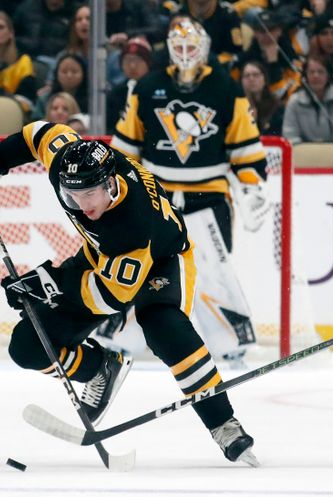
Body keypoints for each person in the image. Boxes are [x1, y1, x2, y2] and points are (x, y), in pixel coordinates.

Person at [0, 122, 259, 466]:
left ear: (111, 183)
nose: (81, 206)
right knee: (27, 347)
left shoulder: (132, 222)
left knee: (164, 328)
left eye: (88, 195)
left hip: (162, 260)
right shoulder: (70, 166)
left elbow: (110, 297)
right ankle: (100, 369)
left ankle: (223, 424)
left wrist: (49, 283)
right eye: (72, 196)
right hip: (104, 260)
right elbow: (39, 133)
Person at [112, 20, 270, 362]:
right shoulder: (147, 87)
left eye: (191, 47)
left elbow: (245, 147)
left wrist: (253, 185)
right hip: (157, 196)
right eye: (179, 47)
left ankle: (231, 345)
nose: (185, 54)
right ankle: (124, 341)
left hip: (209, 197)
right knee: (141, 267)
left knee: (214, 270)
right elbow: (126, 147)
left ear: (205, 47)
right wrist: (122, 187)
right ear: (169, 48)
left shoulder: (226, 89)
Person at [282, 55, 333, 148]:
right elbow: (290, 137)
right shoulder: (294, 101)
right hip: (302, 155)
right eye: (311, 72)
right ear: (305, 76)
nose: (316, 76)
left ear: (329, 75)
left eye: (321, 72)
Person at [32, 53, 88, 121]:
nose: (69, 75)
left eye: (74, 71)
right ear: (56, 74)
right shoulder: (45, 99)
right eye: (64, 71)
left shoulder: (92, 101)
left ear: (83, 74)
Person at [240, 60, 284, 136]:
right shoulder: (236, 106)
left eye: (256, 75)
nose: (251, 79)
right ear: (241, 81)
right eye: (247, 75)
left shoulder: (276, 106)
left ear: (264, 79)